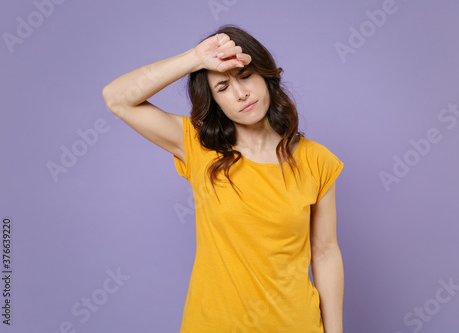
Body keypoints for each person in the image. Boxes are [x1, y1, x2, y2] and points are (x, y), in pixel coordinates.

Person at [102, 24, 344, 333]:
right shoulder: (199, 146)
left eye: (245, 77)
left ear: (266, 78)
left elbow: (325, 253)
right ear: (214, 101)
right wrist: (195, 59)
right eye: (223, 88)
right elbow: (116, 98)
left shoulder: (317, 160)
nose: (241, 93)